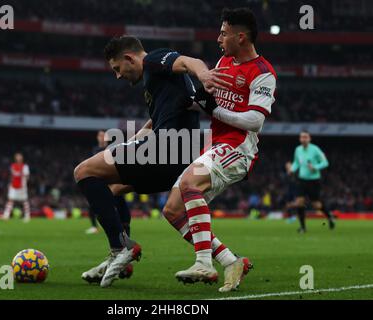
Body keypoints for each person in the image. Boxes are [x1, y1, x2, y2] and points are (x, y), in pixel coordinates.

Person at [74, 35, 230, 287]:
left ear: (129, 58)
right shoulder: (158, 84)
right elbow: (154, 123)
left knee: (83, 171)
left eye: (117, 69)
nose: (118, 76)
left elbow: (190, 61)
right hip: (177, 156)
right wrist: (128, 144)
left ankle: (120, 248)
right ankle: (122, 256)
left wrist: (204, 75)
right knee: (111, 190)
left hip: (166, 149)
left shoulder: (154, 61)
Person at [162, 7, 277, 292]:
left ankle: (203, 262)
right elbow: (207, 99)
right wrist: (189, 100)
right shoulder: (225, 60)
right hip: (216, 144)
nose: (218, 38)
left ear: (241, 37)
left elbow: (255, 120)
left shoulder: (263, 72)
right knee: (173, 210)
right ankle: (230, 261)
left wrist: (215, 109)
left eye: (223, 33)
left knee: (189, 182)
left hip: (239, 147)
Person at [286, 131, 335, 233]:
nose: (303, 139)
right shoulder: (298, 150)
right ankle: (303, 227)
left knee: (316, 204)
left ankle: (329, 217)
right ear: (300, 139)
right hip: (301, 179)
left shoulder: (315, 149)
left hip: (314, 180)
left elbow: (325, 162)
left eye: (305, 137)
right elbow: (296, 163)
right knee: (300, 202)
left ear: (309, 138)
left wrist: (315, 167)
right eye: (302, 137)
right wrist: (292, 170)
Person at [85, 130, 132, 237]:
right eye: (99, 135)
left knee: (121, 205)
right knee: (95, 206)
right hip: (102, 183)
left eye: (103, 135)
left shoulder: (112, 148)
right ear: (97, 137)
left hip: (113, 181)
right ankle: (95, 227)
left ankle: (125, 234)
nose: (101, 137)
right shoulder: (95, 150)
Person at [0, 152, 31, 222]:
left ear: (22, 158)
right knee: (10, 200)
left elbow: (27, 176)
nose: (18, 158)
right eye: (17, 157)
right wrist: (10, 184)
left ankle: (27, 216)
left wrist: (25, 183)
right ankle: (6, 215)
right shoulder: (13, 166)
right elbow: (12, 176)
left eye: (19, 157)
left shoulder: (25, 166)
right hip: (13, 186)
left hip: (22, 186)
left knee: (24, 200)